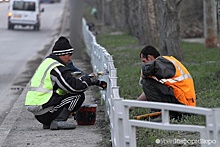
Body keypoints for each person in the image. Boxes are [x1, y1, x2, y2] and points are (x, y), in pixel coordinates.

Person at [25, 36, 107, 130]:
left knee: (67, 94)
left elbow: (66, 84)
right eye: (69, 54)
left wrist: (86, 80)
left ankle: (49, 122)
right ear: (62, 54)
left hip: (39, 109)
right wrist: (88, 81)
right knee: (78, 96)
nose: (70, 58)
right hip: (44, 111)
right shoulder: (56, 67)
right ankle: (58, 120)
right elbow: (73, 88)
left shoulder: (47, 62)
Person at [137, 45, 196, 120]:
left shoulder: (161, 62)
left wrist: (144, 73)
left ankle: (159, 113)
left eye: (144, 61)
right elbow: (151, 91)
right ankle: (169, 113)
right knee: (148, 83)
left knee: (147, 82)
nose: (144, 64)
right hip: (185, 103)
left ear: (150, 57)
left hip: (183, 103)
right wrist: (132, 105)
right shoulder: (167, 62)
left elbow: (151, 69)